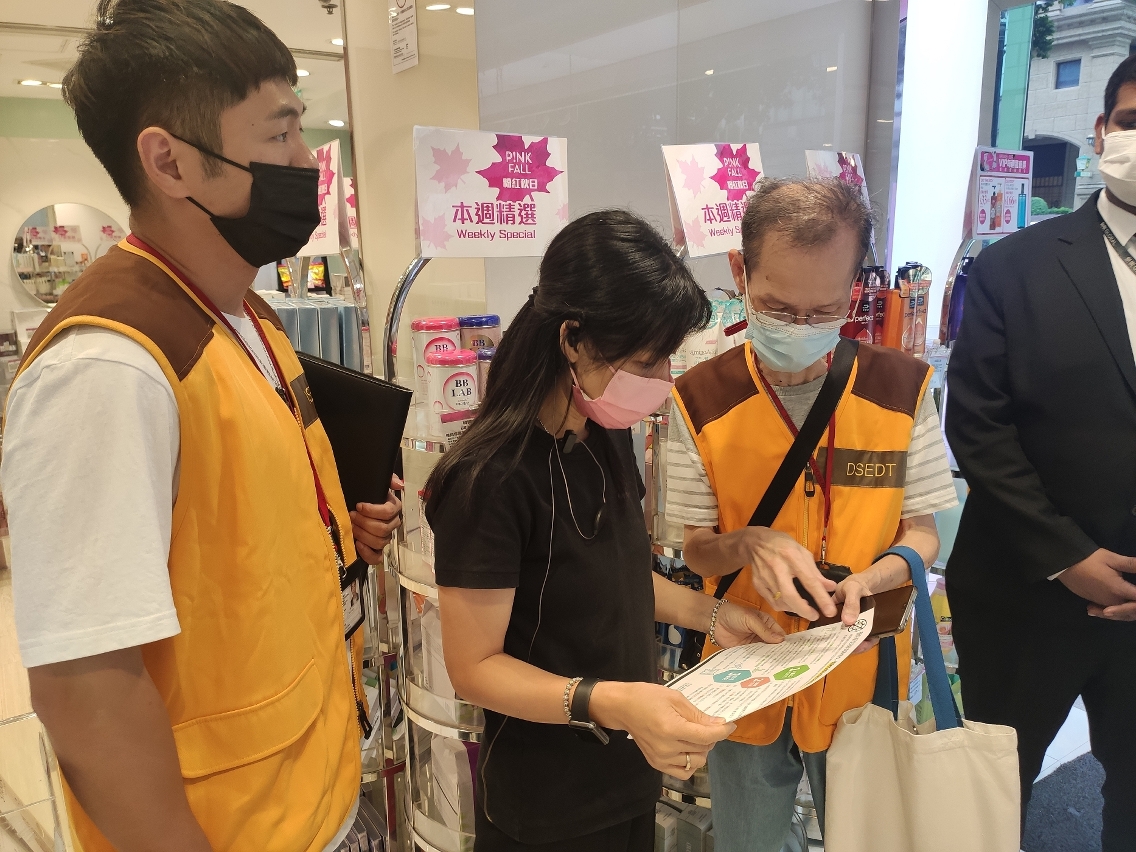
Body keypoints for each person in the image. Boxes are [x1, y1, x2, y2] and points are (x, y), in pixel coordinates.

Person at [1, 2, 402, 851]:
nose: (307, 161)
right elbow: (86, 690)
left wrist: (339, 529)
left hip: (314, 794)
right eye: (281, 133)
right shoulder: (106, 368)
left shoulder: (246, 317)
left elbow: (238, 536)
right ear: (169, 161)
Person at [425, 210, 786, 852]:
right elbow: (474, 668)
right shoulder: (491, 479)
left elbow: (613, 574)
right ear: (573, 339)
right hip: (544, 805)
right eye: (647, 361)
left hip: (628, 777)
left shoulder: (604, 434)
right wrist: (615, 703)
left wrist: (712, 615)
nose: (663, 381)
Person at [665, 178, 958, 852]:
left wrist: (874, 579)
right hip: (745, 670)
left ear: (855, 289)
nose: (799, 328)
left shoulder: (902, 389)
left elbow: (923, 535)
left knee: (866, 837)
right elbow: (696, 550)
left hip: (862, 671)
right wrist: (748, 544)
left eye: (823, 309)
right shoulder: (699, 397)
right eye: (776, 307)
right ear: (740, 271)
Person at [945, 54, 1136, 851]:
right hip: (1021, 595)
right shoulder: (1012, 266)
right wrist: (1066, 555)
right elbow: (978, 428)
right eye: (1132, 122)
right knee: (990, 801)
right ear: (1101, 130)